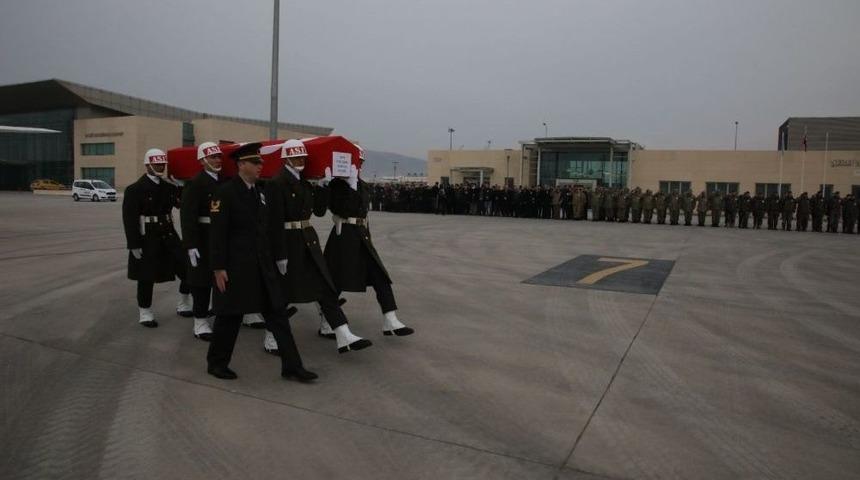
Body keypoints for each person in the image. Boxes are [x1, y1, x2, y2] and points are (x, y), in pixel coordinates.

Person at [206, 142, 316, 382]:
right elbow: (217, 234)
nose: (260, 166)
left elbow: (269, 229)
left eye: (261, 162)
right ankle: (216, 363)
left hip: (262, 267)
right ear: (241, 164)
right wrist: (218, 267)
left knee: (278, 315)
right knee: (229, 317)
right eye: (255, 162)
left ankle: (292, 366)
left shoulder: (260, 193)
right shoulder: (226, 193)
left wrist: (279, 256)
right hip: (236, 267)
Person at [266, 139, 371, 354]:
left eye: (302, 157)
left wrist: (323, 187)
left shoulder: (304, 183)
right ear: (286, 159)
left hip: (307, 239)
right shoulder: (276, 183)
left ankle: (342, 332)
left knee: (325, 287)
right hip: (288, 241)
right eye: (296, 157)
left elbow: (320, 211)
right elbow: (273, 222)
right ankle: (271, 334)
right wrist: (279, 253)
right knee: (284, 292)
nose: (300, 160)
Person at [325, 148, 414, 338]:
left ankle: (390, 319)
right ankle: (327, 321)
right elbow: (342, 209)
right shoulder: (336, 185)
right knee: (336, 280)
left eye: (360, 162)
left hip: (362, 236)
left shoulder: (363, 185)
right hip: (344, 235)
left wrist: (355, 186)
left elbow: (363, 213)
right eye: (355, 161)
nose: (358, 165)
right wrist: (350, 187)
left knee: (380, 276)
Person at [122, 148, 191, 327]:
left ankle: (183, 303)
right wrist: (133, 243)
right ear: (147, 165)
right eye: (157, 163)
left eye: (162, 163)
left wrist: (182, 186)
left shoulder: (168, 187)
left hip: (169, 234)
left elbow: (183, 204)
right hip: (148, 237)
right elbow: (129, 219)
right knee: (146, 276)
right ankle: (145, 311)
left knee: (188, 269)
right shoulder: (134, 189)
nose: (160, 166)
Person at [179, 142, 222, 340]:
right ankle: (200, 321)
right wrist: (191, 244)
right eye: (213, 157)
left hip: (221, 236)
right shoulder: (195, 183)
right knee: (201, 281)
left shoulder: (224, 181)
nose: (217, 160)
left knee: (222, 278)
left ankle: (220, 312)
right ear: (203, 160)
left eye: (219, 157)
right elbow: (188, 217)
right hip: (203, 238)